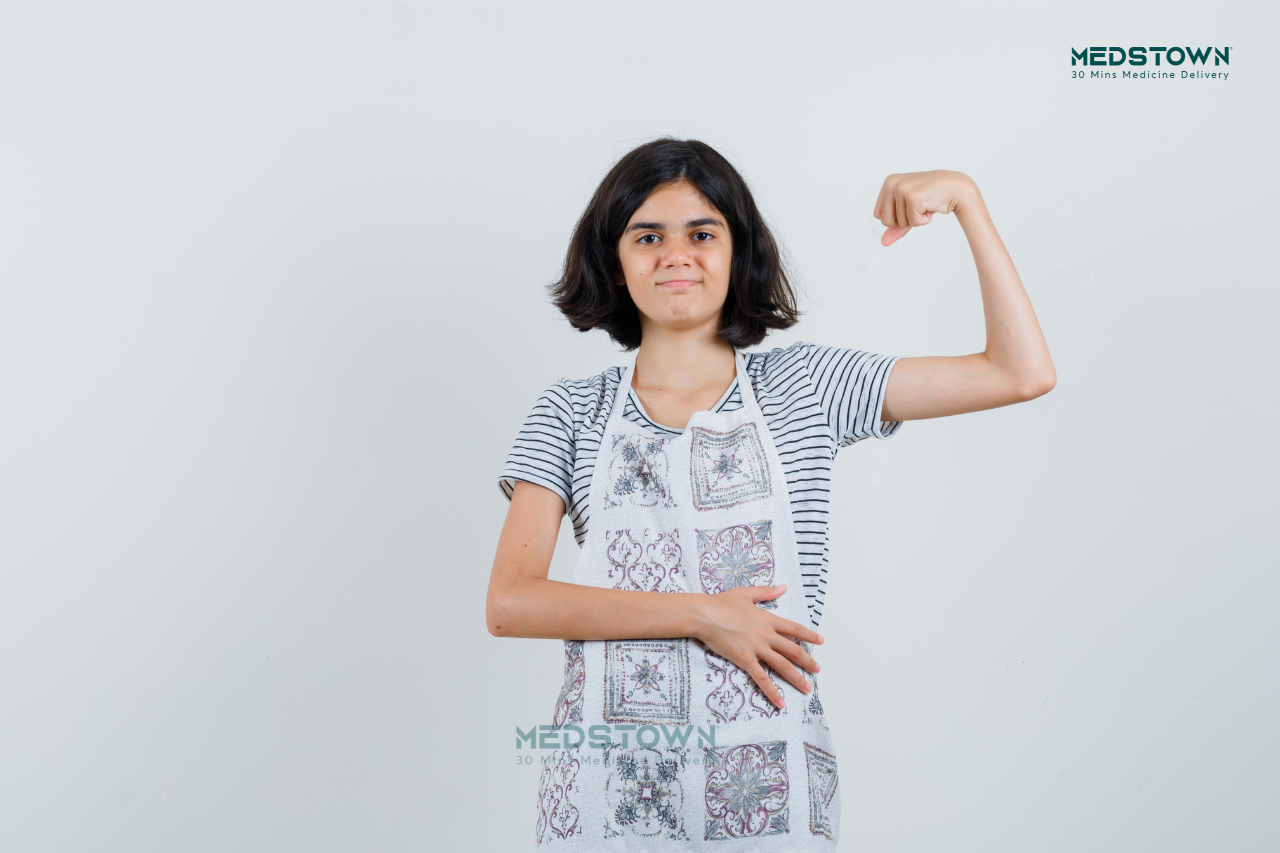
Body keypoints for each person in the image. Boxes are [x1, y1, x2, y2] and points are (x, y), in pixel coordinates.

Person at [487, 138, 1055, 850]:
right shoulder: (569, 412)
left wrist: (968, 200)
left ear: (739, 251)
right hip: (604, 802)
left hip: (772, 800)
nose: (676, 254)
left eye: (702, 233)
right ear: (615, 259)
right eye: (647, 235)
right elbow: (511, 602)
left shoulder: (809, 389)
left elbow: (1020, 371)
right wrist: (704, 616)